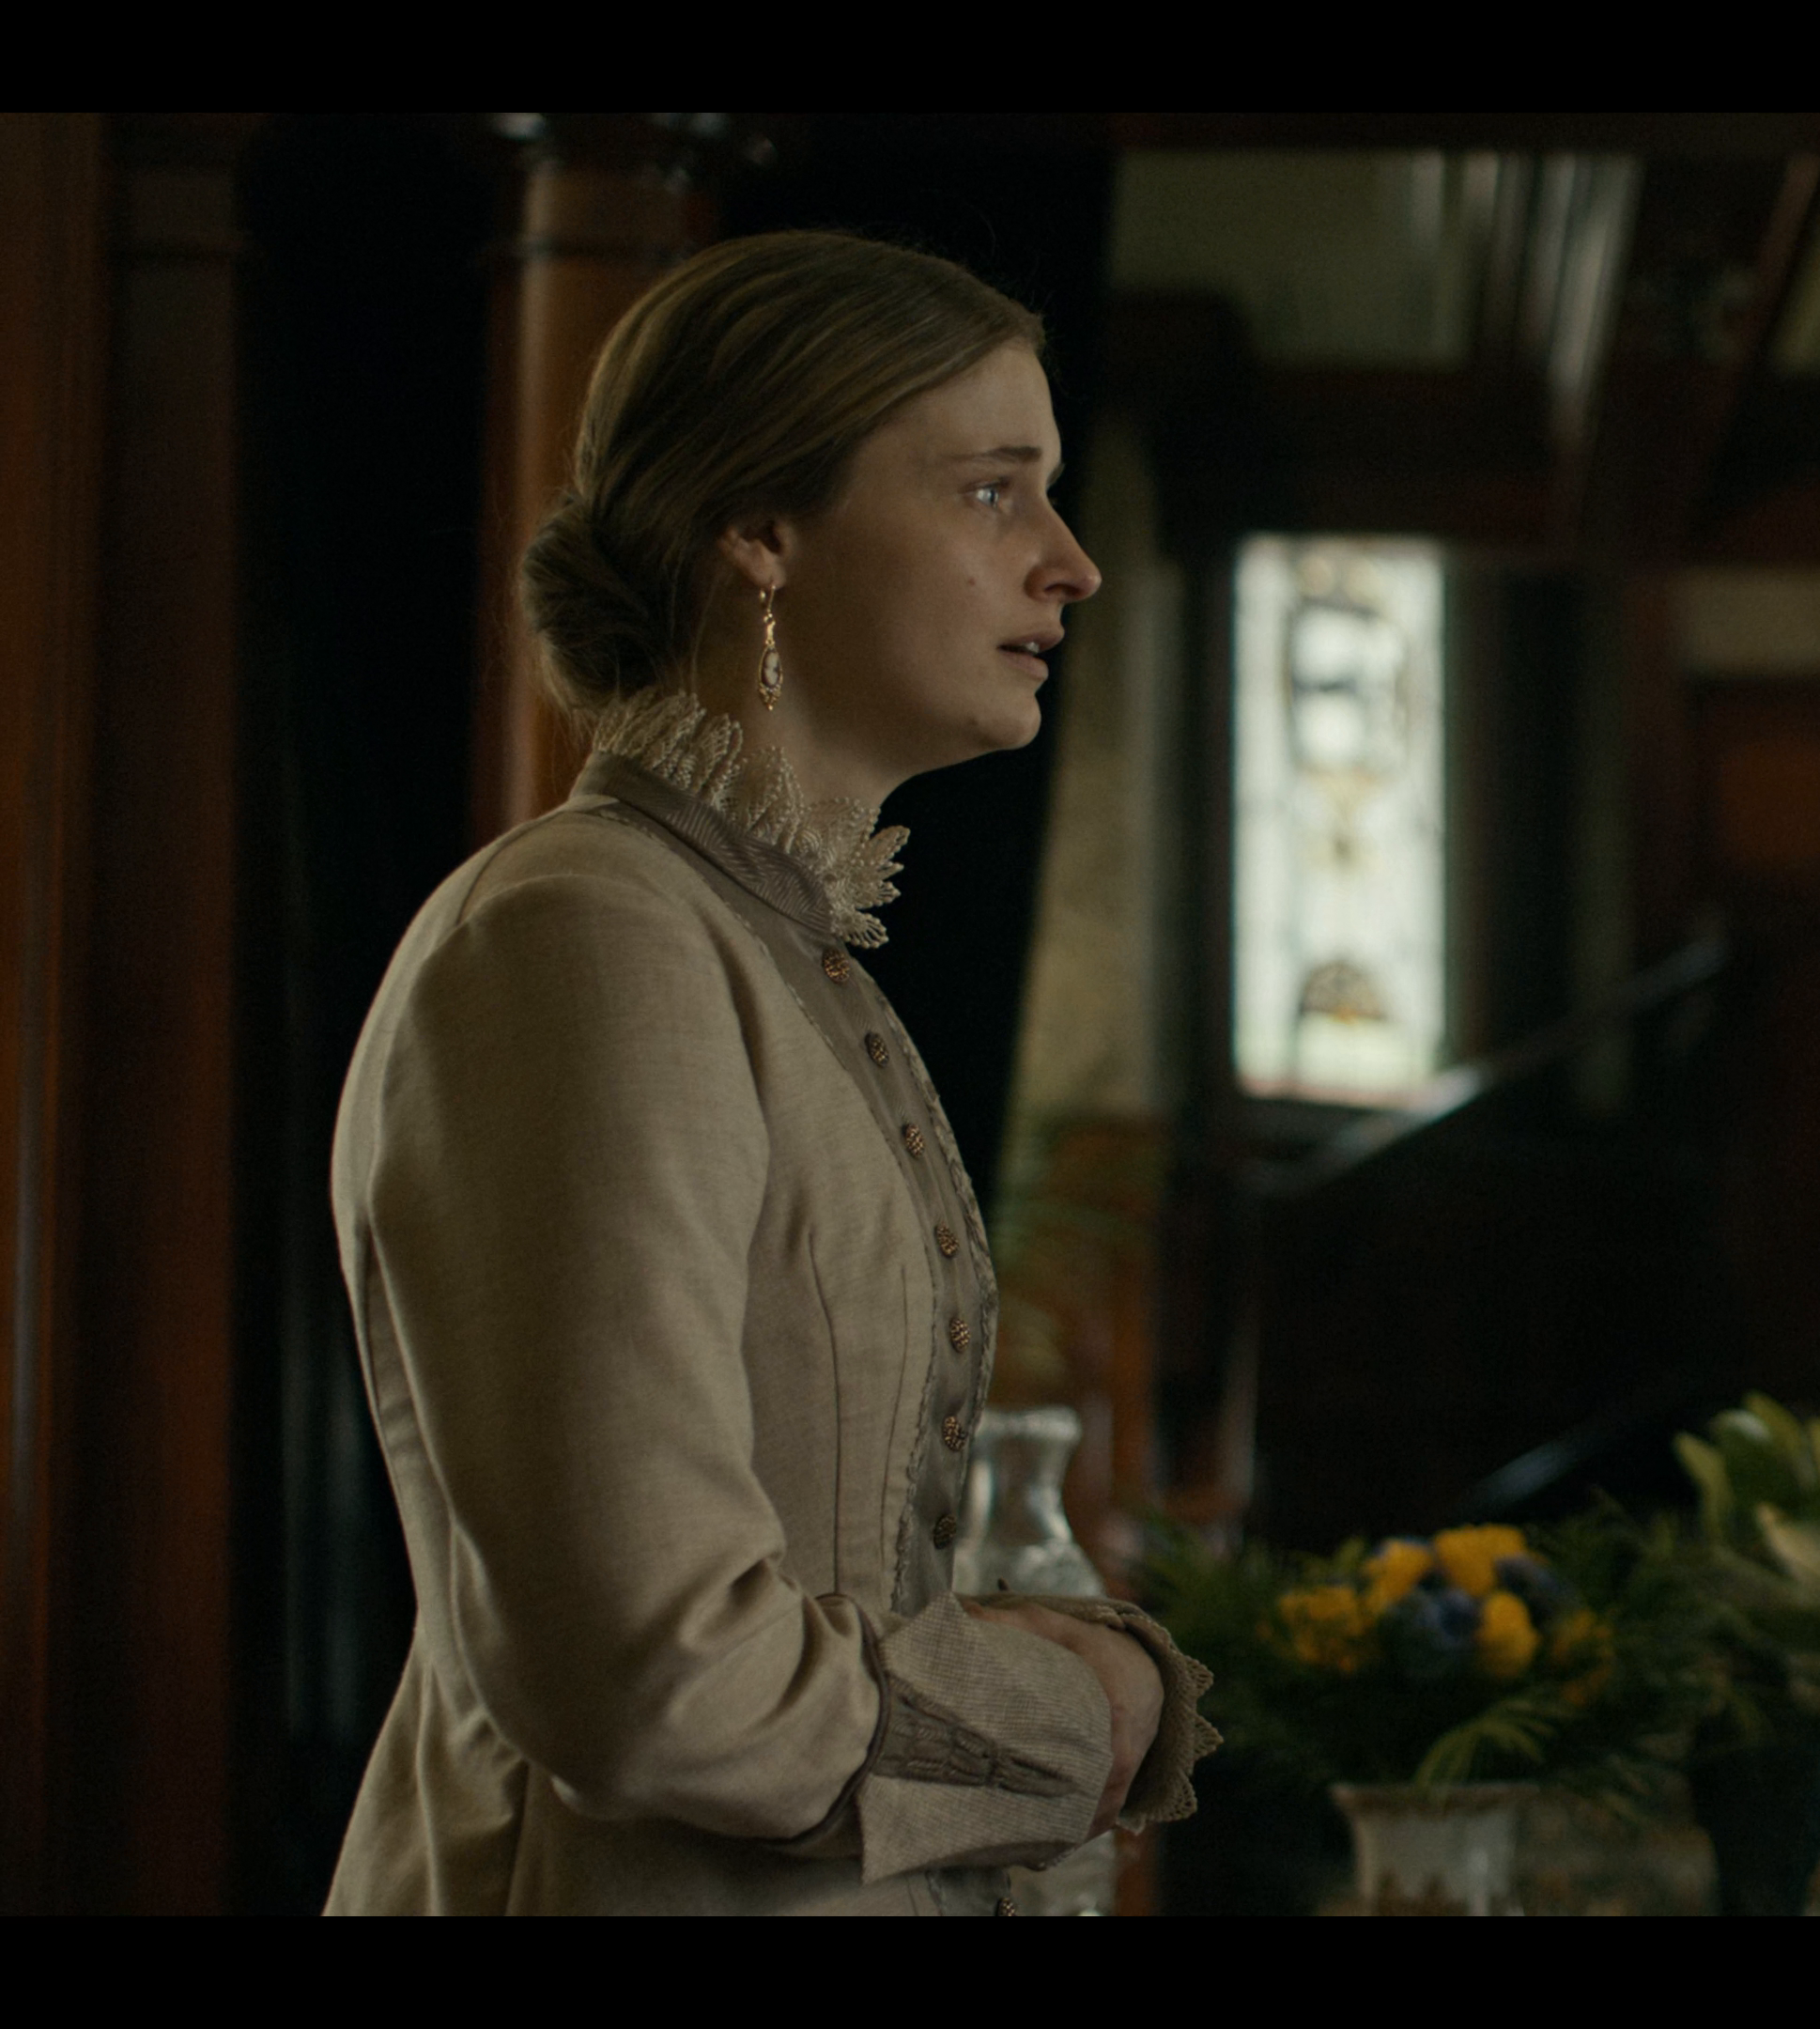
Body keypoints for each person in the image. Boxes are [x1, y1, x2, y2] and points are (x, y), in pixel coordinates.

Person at [326, 231, 1211, 1914]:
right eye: (992, 492)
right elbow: (659, 1676)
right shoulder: (587, 936)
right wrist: (1074, 1715)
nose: (1072, 564)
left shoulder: (765, 949)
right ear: (759, 528)